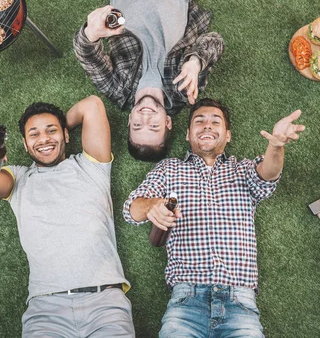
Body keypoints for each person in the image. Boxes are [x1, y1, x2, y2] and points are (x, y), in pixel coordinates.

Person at [122, 98, 305, 337]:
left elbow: (267, 175)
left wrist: (277, 146)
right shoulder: (169, 169)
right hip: (186, 302)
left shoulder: (243, 169)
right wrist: (151, 206)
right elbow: (131, 209)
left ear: (227, 135)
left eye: (215, 122)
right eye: (199, 121)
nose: (207, 125)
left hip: (240, 303)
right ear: (188, 135)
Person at [0, 96, 134, 337]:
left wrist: (55, 131)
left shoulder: (91, 166)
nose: (43, 138)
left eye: (51, 131)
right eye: (33, 135)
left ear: (67, 135)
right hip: (46, 310)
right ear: (25, 145)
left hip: (105, 304)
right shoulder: (19, 179)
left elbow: (92, 105)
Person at [73, 0, 225, 162]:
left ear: (129, 120)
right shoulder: (184, 89)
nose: (145, 117)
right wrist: (195, 62)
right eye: (153, 126)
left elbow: (88, 57)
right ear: (167, 123)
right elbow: (215, 41)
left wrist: (90, 34)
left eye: (137, 125)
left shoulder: (119, 90)